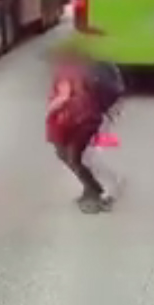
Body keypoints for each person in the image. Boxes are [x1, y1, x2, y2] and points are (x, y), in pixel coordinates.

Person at [46, 45, 126, 213]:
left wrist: (51, 108)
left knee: (82, 158)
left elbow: (64, 96)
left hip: (87, 119)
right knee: (75, 156)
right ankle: (94, 189)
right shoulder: (85, 69)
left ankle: (107, 191)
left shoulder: (68, 72)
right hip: (94, 117)